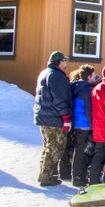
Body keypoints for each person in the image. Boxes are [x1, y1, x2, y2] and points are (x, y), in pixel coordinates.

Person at [33, 51, 73, 186]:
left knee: (48, 146)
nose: (66, 63)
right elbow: (59, 98)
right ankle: (47, 177)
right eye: (64, 61)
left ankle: (44, 174)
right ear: (59, 62)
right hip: (54, 118)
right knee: (56, 147)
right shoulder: (56, 76)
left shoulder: (45, 73)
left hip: (44, 116)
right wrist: (66, 117)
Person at [66, 64, 97, 186]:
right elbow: (88, 109)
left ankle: (77, 176)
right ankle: (79, 178)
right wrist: (93, 125)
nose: (95, 77)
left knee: (78, 150)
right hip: (84, 123)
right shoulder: (87, 90)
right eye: (93, 75)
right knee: (82, 152)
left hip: (76, 122)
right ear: (89, 76)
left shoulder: (74, 86)